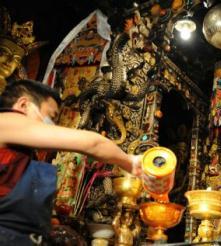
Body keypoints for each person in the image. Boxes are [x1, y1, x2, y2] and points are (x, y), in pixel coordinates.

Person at [0, 79, 142, 245]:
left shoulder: (21, 151)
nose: (51, 124)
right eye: (50, 116)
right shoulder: (5, 122)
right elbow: (93, 144)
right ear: (24, 105)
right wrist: (130, 162)